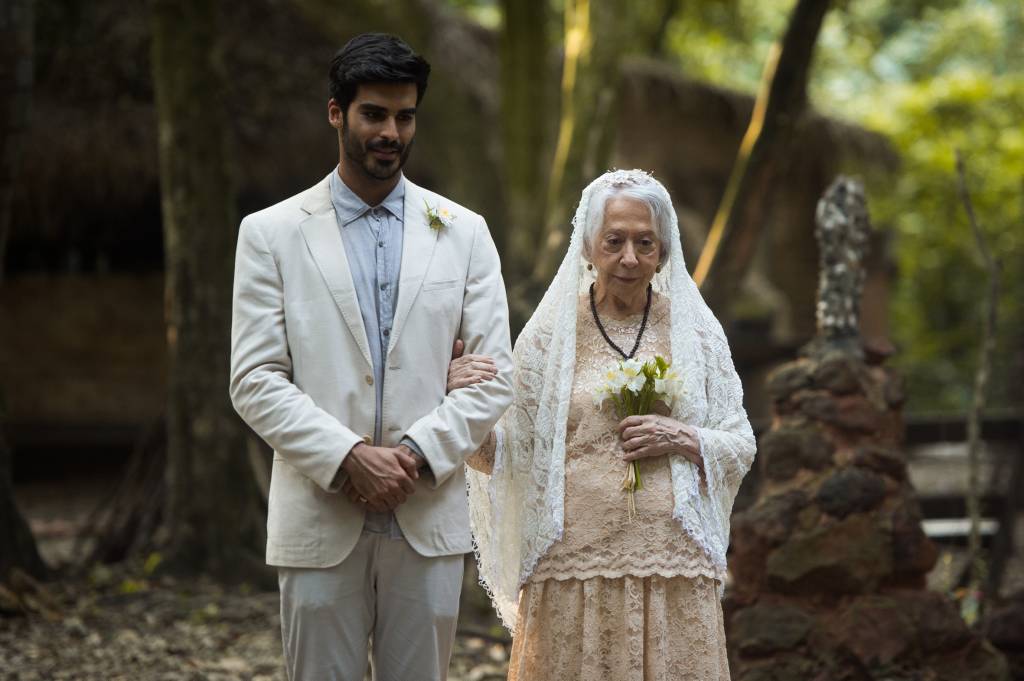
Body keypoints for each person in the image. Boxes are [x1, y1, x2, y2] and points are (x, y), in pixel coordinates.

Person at [229, 33, 513, 681]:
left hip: (427, 509)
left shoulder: (464, 232)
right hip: (319, 511)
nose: (391, 131)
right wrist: (349, 456)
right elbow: (253, 378)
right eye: (374, 114)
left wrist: (413, 454)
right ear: (337, 112)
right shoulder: (270, 234)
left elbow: (495, 374)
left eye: (405, 116)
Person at [454, 169, 755, 680]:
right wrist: (462, 405)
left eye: (645, 243)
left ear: (664, 252)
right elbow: (504, 453)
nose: (630, 258)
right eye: (614, 241)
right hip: (572, 565)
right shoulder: (549, 338)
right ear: (588, 247)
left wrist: (682, 436)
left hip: (672, 564)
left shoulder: (695, 332)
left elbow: (740, 441)